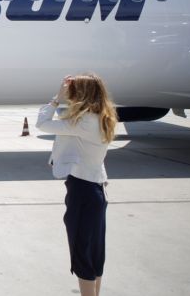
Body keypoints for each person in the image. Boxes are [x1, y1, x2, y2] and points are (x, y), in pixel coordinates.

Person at [35, 74, 117, 296]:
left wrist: (56, 98)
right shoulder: (102, 117)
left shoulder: (83, 122)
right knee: (94, 253)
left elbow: (42, 124)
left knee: (82, 254)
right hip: (96, 190)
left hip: (83, 192)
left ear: (80, 94)